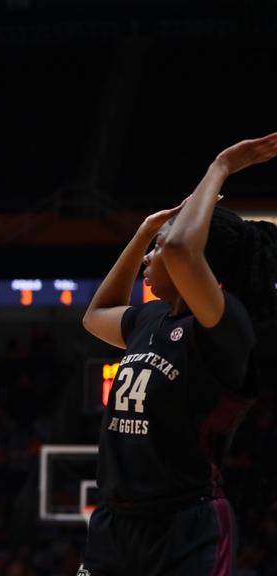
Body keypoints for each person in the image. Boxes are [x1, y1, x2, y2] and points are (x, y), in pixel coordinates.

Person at [80, 132, 277, 575]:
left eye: (158, 246)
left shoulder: (226, 327)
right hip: (115, 522)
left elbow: (180, 249)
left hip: (185, 524)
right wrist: (145, 229)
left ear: (202, 263)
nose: (152, 255)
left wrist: (222, 165)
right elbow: (96, 315)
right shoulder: (149, 320)